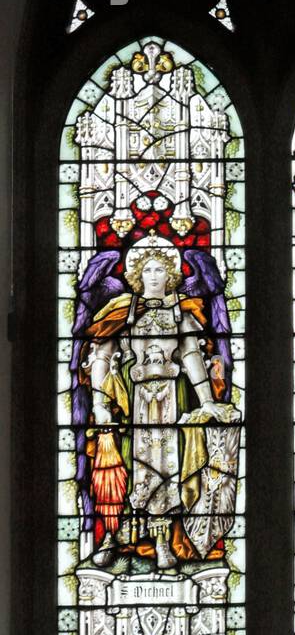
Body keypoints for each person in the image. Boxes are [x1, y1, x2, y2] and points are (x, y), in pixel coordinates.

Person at [80, 234, 236, 570]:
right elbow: (102, 357)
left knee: (169, 468)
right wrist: (99, 402)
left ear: (171, 274)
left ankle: (162, 541)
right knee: (124, 468)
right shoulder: (122, 310)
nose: (153, 275)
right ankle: (114, 536)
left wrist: (207, 401)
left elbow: (192, 355)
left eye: (160, 269)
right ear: (137, 274)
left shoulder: (182, 311)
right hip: (131, 402)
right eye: (147, 269)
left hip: (171, 398)